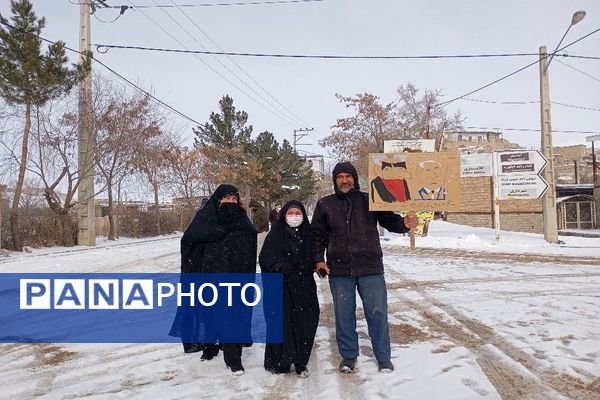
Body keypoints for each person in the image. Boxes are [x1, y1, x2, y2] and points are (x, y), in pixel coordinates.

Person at [311, 162, 419, 373]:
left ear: (354, 178)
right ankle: (349, 356)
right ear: (334, 180)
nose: (344, 180)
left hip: (370, 267)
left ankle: (383, 357)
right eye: (340, 176)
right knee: (344, 315)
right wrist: (318, 259)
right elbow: (317, 235)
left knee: (377, 313)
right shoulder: (325, 204)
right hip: (339, 269)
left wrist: (405, 223)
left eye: (348, 176)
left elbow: (390, 220)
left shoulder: (370, 199)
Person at [170, 184, 257, 376]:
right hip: (209, 277)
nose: (230, 203)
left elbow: (250, 243)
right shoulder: (205, 218)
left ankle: (234, 359)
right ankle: (210, 347)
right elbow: (188, 241)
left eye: (234, 200)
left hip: (235, 279)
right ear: (218, 200)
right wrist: (213, 236)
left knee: (234, 316)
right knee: (209, 314)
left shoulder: (242, 220)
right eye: (226, 199)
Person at [259, 200, 319, 378]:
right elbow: (265, 259)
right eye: (290, 213)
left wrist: (317, 265)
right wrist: (278, 266)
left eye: (297, 213)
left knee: (305, 322)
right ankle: (281, 361)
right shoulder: (276, 234)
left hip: (304, 286)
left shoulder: (309, 234)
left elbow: (316, 255)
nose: (294, 217)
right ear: (283, 215)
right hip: (280, 287)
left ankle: (301, 360)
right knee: (281, 323)